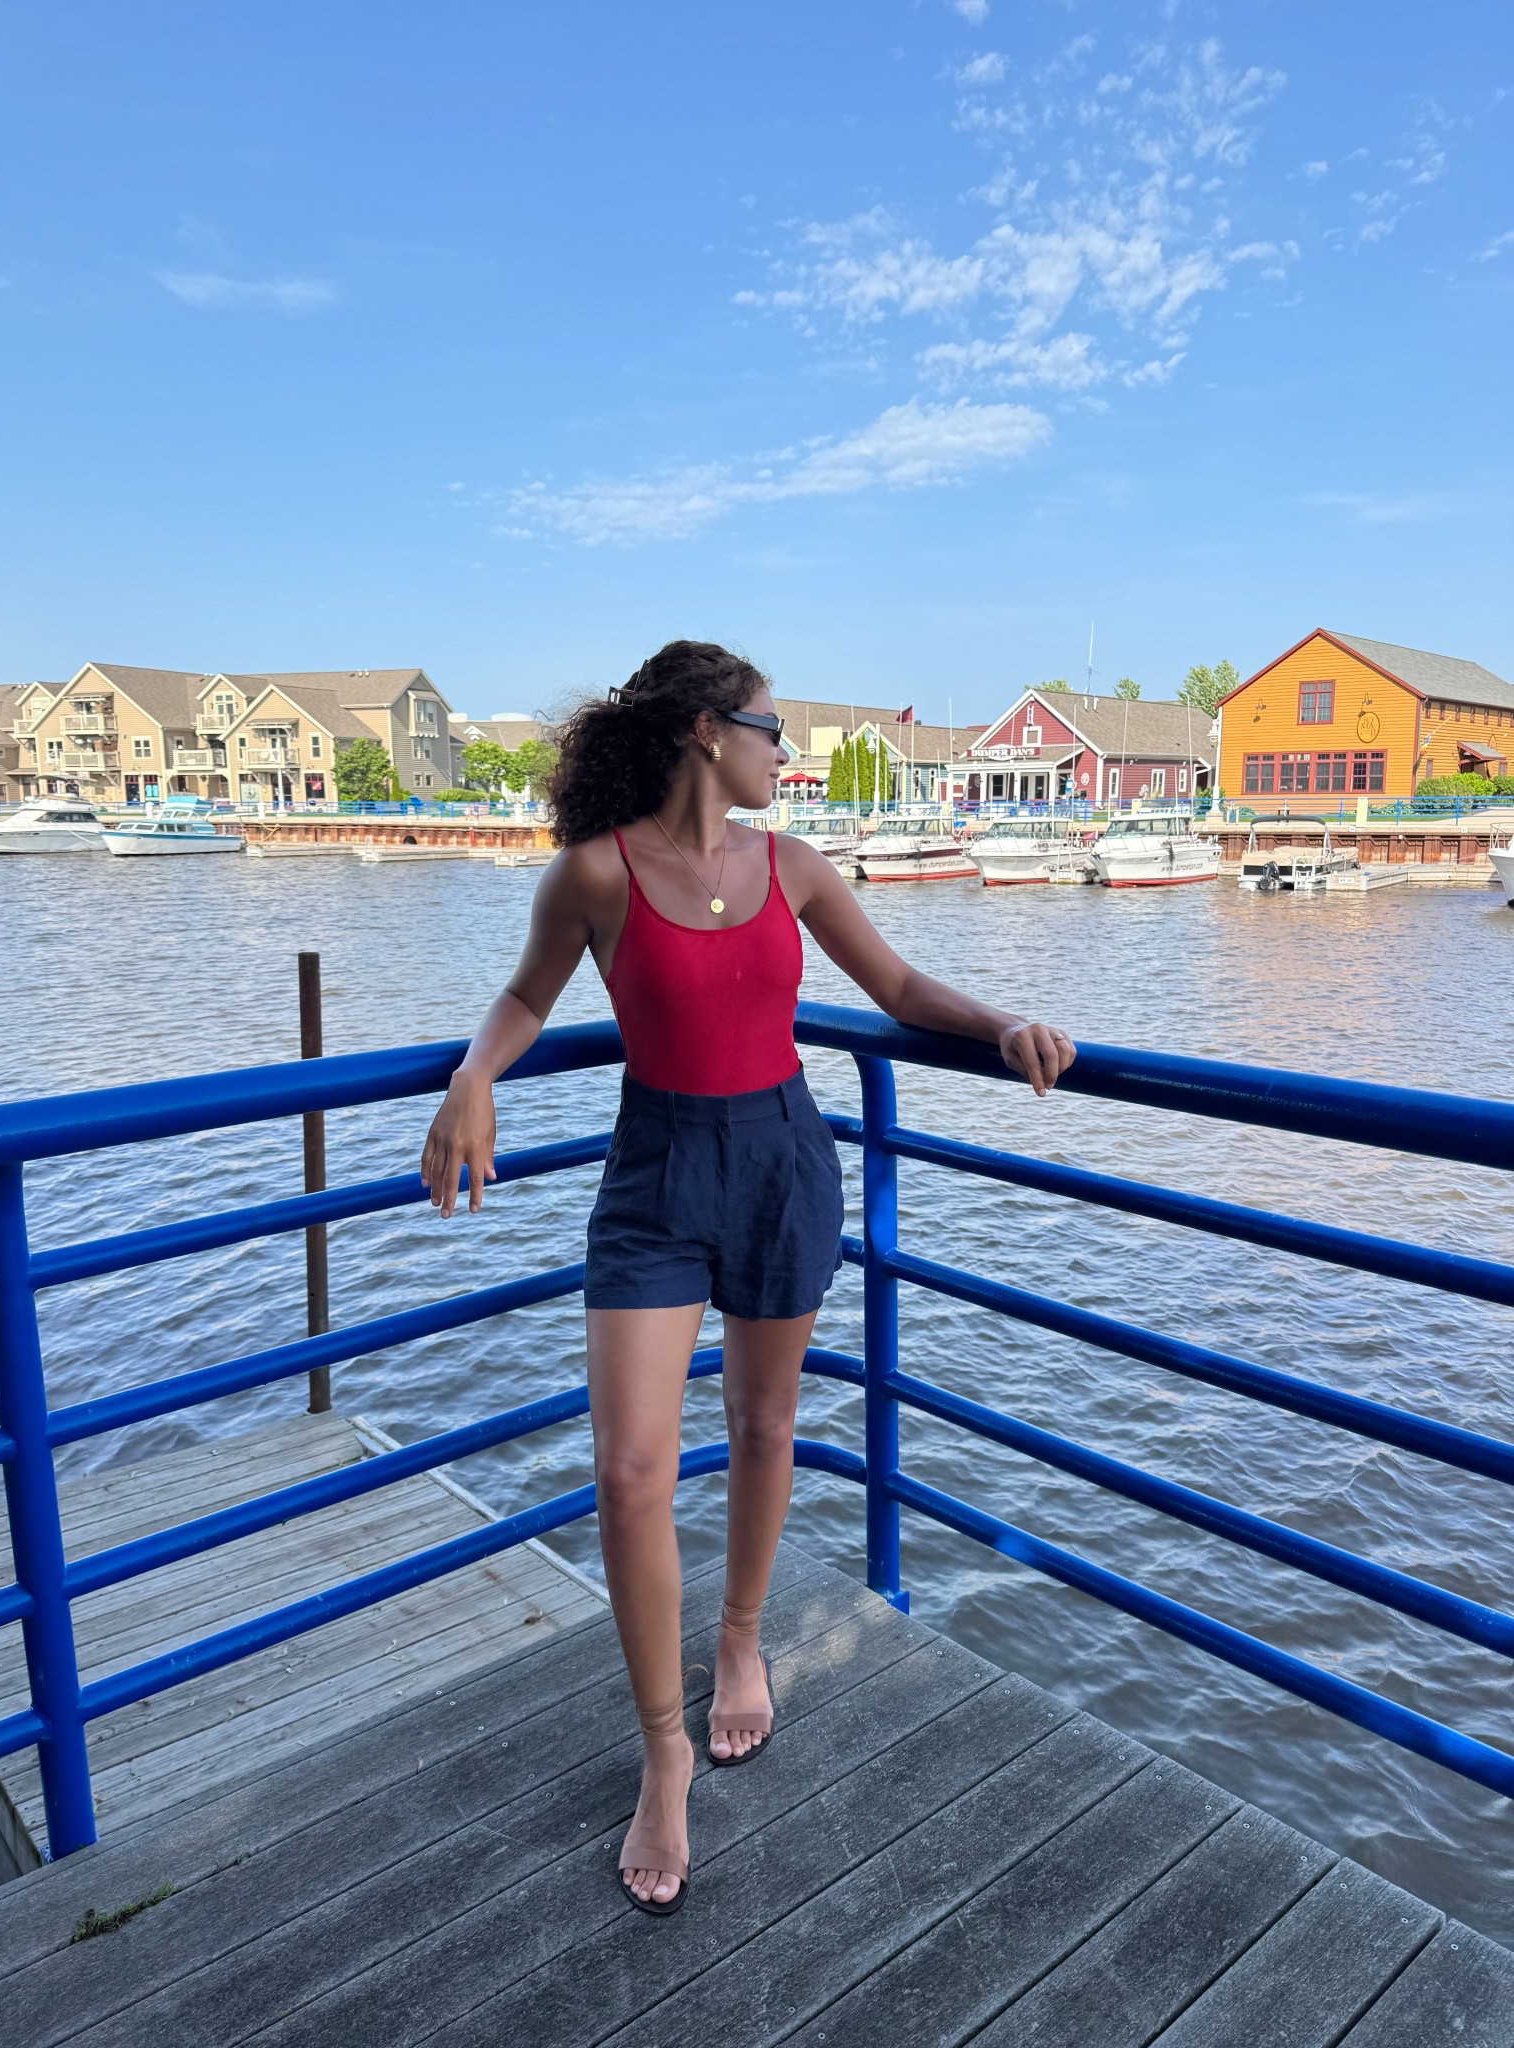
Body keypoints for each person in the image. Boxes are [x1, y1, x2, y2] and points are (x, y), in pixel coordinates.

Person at [419, 640, 1075, 1916]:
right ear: (709, 730)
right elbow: (525, 993)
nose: (793, 752)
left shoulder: (794, 864)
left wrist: (1001, 1022)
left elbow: (889, 984)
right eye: (776, 727)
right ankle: (663, 1745)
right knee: (628, 1471)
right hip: (655, 1173)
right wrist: (471, 1074)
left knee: (767, 1422)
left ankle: (738, 1640)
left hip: (783, 1156)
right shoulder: (596, 871)